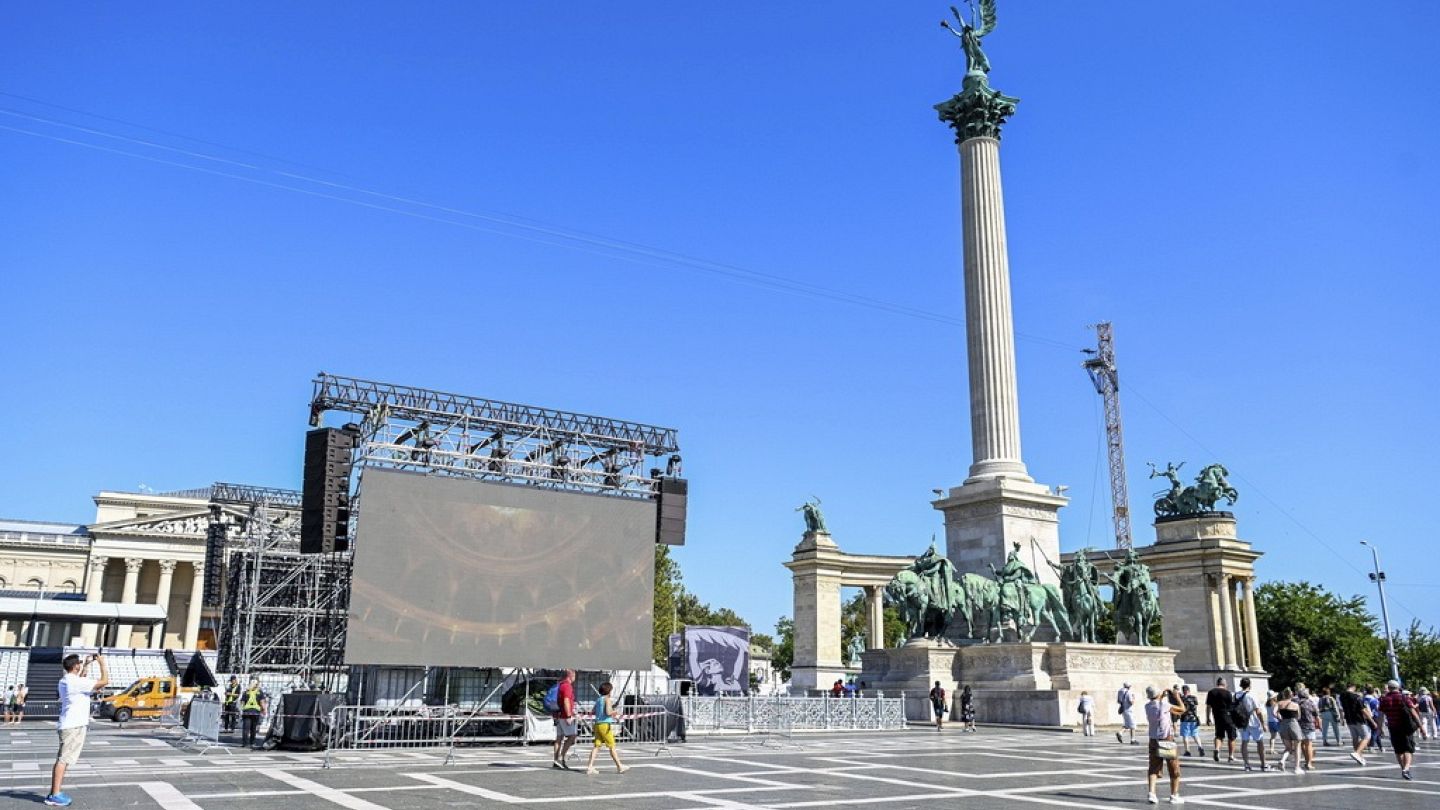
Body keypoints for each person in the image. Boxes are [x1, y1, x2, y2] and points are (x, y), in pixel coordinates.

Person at [46, 652, 108, 807]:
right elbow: (105, 681)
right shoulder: (73, 682)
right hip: (73, 726)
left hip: (70, 724)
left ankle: (56, 791)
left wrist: (86, 664)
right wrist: (101, 663)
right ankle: (54, 794)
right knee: (63, 759)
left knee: (64, 759)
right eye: (79, 664)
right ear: (75, 666)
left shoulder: (67, 680)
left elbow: (82, 679)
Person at [1144, 686, 1185, 805]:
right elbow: (1182, 709)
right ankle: (1174, 795)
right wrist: (1177, 697)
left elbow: (1158, 703)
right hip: (1166, 739)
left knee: (1153, 768)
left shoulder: (1147, 706)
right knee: (1174, 768)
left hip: (1153, 739)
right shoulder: (1165, 705)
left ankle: (1152, 793)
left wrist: (1161, 695)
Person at [1377, 680, 1421, 780]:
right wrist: (1420, 726)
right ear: (1398, 687)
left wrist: (1379, 728)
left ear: (1389, 687)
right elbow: (1413, 712)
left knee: (1398, 750)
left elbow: (1380, 716)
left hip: (1393, 727)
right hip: (1405, 727)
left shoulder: (1384, 700)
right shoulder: (1404, 697)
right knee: (1408, 749)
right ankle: (1406, 769)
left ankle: (1403, 769)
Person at [584, 682, 629, 775]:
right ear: (609, 691)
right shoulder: (607, 699)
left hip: (597, 724)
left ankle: (590, 766)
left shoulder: (598, 699)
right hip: (605, 725)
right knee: (612, 746)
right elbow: (608, 712)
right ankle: (619, 766)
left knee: (596, 746)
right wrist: (614, 712)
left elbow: (592, 711)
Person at [1235, 677, 1268, 773]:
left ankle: (1246, 764)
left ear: (1241, 685)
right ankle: (1263, 764)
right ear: (1249, 685)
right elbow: (1258, 711)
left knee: (1244, 742)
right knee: (1259, 742)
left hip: (1241, 722)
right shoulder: (1252, 695)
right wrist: (1263, 723)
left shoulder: (1236, 695)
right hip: (1252, 721)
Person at [1204, 677, 1236, 763]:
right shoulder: (1228, 693)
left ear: (1217, 683)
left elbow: (1208, 706)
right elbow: (1232, 707)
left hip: (1217, 717)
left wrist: (1208, 718)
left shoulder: (1211, 692)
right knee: (1231, 737)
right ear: (1224, 684)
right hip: (1228, 716)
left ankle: (1217, 749)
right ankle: (1231, 755)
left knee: (1219, 735)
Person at [1340, 683, 1373, 765]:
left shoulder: (1342, 696)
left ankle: (1360, 757)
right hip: (1359, 719)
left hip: (1349, 719)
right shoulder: (1356, 697)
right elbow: (1363, 709)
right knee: (1367, 736)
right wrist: (1372, 721)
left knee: (1355, 737)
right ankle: (1357, 753)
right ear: (1353, 687)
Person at [551, 670, 578, 770]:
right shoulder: (567, 686)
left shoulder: (561, 685)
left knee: (559, 738)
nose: (575, 677)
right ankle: (562, 758)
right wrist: (569, 715)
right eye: (574, 675)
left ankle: (556, 760)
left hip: (558, 714)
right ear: (570, 675)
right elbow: (566, 700)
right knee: (572, 736)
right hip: (564, 716)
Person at [1274, 688, 1303, 774]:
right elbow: (1298, 717)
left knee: (1288, 747)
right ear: (1292, 695)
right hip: (1293, 723)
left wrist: (1279, 717)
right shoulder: (1295, 705)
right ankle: (1297, 768)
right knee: (1297, 746)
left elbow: (1273, 712)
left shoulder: (1279, 703)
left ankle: (1282, 760)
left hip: (1283, 724)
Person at [238, 678, 268, 749]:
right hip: (255, 712)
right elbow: (262, 702)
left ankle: (245, 743)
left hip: (246, 712)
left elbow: (242, 703)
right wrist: (264, 710)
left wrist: (241, 710)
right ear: (256, 684)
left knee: (246, 729)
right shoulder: (259, 692)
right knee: (253, 729)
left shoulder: (246, 692)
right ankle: (252, 743)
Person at [1297, 687, 1320, 770]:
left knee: (1302, 744)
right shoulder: (1310, 702)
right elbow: (1316, 714)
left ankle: (1306, 760)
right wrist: (1319, 725)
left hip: (1299, 725)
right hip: (1309, 725)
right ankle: (1309, 763)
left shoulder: (1297, 703)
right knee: (1309, 744)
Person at [1177, 685, 1202, 756]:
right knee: (1195, 734)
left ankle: (1187, 750)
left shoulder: (1182, 699)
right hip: (1193, 718)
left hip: (1185, 718)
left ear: (1183, 691)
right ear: (1189, 690)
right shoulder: (1194, 698)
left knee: (1185, 735)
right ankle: (1200, 747)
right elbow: (1195, 706)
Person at [1364, 687, 1385, 752]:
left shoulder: (1363, 698)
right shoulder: (1374, 700)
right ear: (1373, 692)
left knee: (1376, 731)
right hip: (1374, 716)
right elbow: (1378, 708)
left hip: (1366, 717)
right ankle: (1371, 746)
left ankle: (1380, 747)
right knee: (1375, 731)